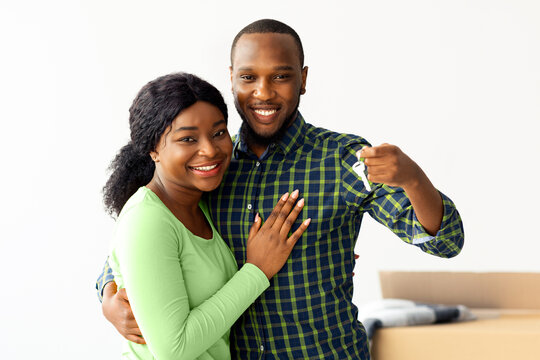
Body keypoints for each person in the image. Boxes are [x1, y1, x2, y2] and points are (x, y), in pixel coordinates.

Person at [97, 20, 464, 359]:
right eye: (248, 77)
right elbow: (143, 248)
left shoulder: (342, 160)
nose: (263, 92)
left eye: (281, 77)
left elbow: (445, 242)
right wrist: (108, 295)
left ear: (303, 80)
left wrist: (414, 179)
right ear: (232, 80)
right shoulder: (207, 168)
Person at [102, 72, 311, 359]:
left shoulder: (202, 202)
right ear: (153, 149)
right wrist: (257, 270)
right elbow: (174, 349)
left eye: (218, 133)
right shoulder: (146, 220)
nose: (210, 150)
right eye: (187, 138)